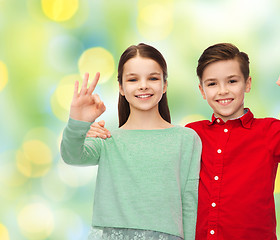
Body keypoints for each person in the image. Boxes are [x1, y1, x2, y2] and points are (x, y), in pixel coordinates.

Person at [87, 43, 280, 240]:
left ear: (248, 83)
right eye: (212, 84)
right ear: (201, 90)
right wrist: (96, 134)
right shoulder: (190, 135)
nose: (223, 91)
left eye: (232, 81)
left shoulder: (268, 130)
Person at [60, 43, 201, 240]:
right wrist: (78, 122)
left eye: (153, 78)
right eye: (133, 79)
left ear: (165, 84)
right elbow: (71, 155)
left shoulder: (186, 139)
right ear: (121, 88)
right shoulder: (106, 138)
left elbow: (189, 202)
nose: (143, 85)